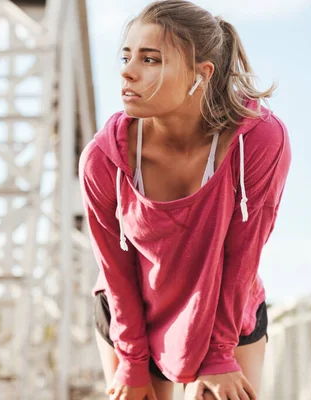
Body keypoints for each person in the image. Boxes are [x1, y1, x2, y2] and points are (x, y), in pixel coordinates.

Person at [78, 1, 291, 399]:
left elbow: (244, 253)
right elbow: (115, 267)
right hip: (132, 315)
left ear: (201, 74)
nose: (127, 70)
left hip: (224, 312)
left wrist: (219, 352)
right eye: (126, 56)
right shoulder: (103, 160)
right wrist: (132, 361)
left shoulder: (259, 141)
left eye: (151, 59)